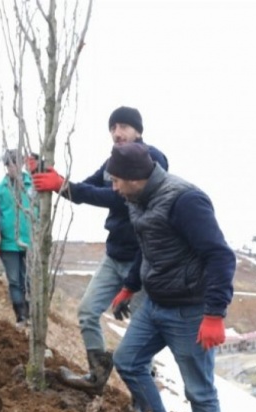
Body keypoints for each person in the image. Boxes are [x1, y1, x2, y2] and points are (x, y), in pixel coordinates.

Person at [31, 106, 168, 395]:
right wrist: (53, 178)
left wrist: (65, 186)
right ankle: (97, 374)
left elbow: (117, 198)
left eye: (124, 127)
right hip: (114, 254)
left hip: (143, 259)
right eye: (113, 127)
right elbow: (86, 189)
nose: (117, 133)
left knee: (141, 334)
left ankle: (144, 403)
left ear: (138, 130)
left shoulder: (152, 159)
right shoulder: (111, 162)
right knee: (87, 311)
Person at [107, 142, 234, 412]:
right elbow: (148, 245)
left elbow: (220, 256)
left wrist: (215, 314)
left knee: (199, 393)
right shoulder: (137, 198)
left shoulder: (185, 201)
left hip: (189, 312)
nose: (114, 188)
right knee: (127, 360)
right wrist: (130, 286)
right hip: (154, 305)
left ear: (134, 179)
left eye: (115, 181)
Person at [0, 150, 33, 328]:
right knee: (15, 280)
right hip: (8, 243)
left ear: (22, 164)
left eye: (16, 163)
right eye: (9, 164)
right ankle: (20, 316)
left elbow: (40, 210)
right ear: (6, 166)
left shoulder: (32, 185)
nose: (13, 167)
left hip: (30, 242)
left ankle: (32, 313)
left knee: (29, 279)